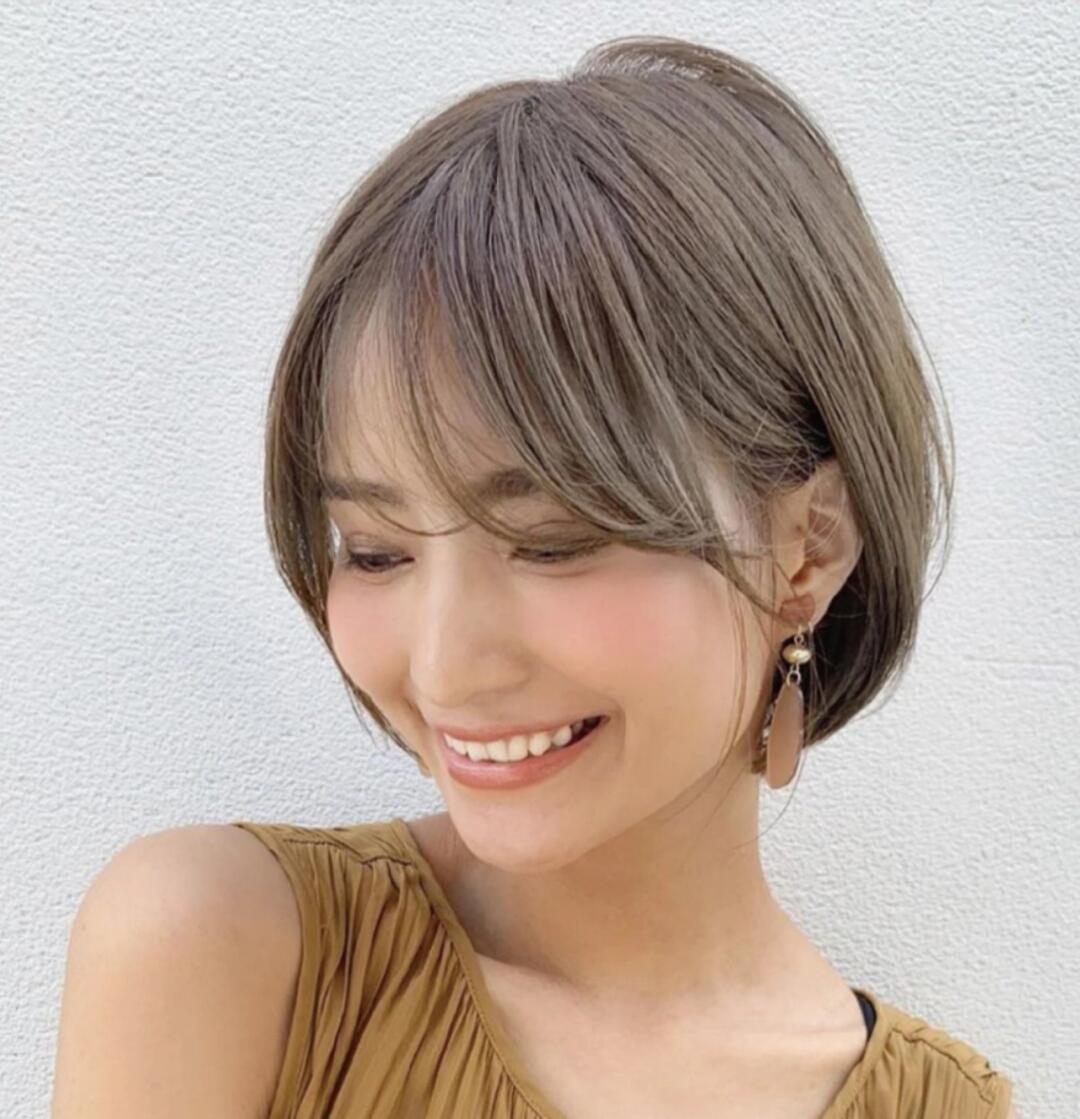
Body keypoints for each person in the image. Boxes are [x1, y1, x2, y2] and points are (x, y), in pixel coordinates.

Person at [52, 35, 1018, 1118]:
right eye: (375, 550)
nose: (444, 667)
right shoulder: (223, 950)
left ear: (808, 549)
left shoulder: (941, 1104)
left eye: (553, 540)